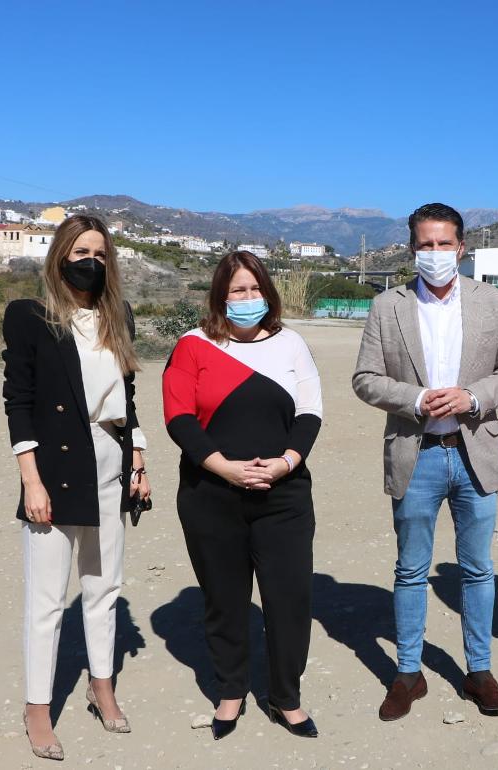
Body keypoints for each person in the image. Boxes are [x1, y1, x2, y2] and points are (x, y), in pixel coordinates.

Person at [352, 202, 498, 721]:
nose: (435, 253)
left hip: (475, 452)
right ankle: (409, 673)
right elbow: (365, 378)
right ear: (412, 250)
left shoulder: (492, 301)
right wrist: (415, 398)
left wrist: (471, 397)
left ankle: (479, 672)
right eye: (425, 245)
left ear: (461, 248)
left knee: (477, 569)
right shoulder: (388, 306)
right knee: (410, 569)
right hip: (417, 454)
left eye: (443, 243)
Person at [1, 214, 152, 761]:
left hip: (111, 459)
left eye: (101, 254)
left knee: (104, 586)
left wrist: (138, 456)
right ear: (60, 256)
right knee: (46, 599)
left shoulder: (118, 316)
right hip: (56, 467)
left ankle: (101, 686)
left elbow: (127, 396)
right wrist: (31, 481)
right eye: (81, 252)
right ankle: (37, 707)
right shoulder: (30, 317)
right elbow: (18, 401)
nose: (92, 261)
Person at [162, 251, 323, 740]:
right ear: (220, 296)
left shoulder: (291, 343)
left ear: (267, 293)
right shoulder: (192, 345)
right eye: (238, 290)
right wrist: (224, 469)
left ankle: (286, 698)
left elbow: (310, 412)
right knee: (224, 599)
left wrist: (286, 462)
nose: (248, 298)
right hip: (210, 494)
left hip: (284, 495)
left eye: (255, 289)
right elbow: (178, 417)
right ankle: (231, 691)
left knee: (289, 600)